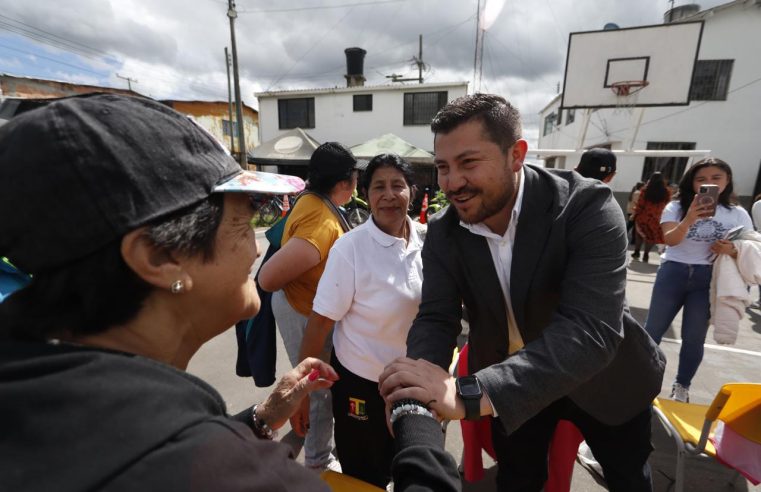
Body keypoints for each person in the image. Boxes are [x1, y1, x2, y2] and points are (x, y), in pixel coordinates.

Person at [0, 94, 337, 491]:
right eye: (241, 224)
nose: (257, 246)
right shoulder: (241, 477)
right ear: (159, 257)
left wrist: (259, 420)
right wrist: (413, 418)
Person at [378, 93, 666, 491]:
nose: (452, 182)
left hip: (603, 378)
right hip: (507, 378)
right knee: (517, 479)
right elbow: (436, 317)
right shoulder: (445, 230)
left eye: (468, 163)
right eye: (443, 167)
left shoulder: (587, 207)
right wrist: (418, 384)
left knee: (628, 477)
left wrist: (469, 394)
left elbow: (590, 331)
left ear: (516, 155)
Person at [298, 153, 424, 488]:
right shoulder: (350, 248)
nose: (388, 194)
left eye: (398, 185)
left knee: (410, 466)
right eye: (378, 186)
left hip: (413, 383)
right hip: (361, 383)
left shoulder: (429, 241)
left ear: (412, 191)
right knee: (364, 476)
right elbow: (319, 323)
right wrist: (302, 393)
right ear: (365, 195)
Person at [258, 141, 362, 472]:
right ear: (346, 182)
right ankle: (318, 460)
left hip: (303, 306)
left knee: (317, 387)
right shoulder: (321, 220)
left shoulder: (315, 200)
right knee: (318, 390)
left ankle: (312, 444)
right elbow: (268, 278)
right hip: (301, 309)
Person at [644, 158, 753, 403]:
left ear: (727, 181)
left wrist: (732, 250)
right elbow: (670, 240)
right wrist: (691, 217)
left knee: (693, 337)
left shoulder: (738, 213)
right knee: (652, 331)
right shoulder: (676, 207)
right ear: (691, 182)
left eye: (716, 178)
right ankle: (641, 379)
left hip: (709, 278)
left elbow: (752, 248)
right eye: (701, 179)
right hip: (673, 272)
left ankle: (682, 385)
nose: (709, 183)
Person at [632, 172, 671, 263]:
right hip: (656, 218)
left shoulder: (645, 190)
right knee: (651, 237)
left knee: (639, 235)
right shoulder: (666, 191)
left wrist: (635, 214)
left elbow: (640, 204)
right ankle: (646, 254)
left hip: (643, 216)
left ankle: (636, 252)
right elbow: (667, 204)